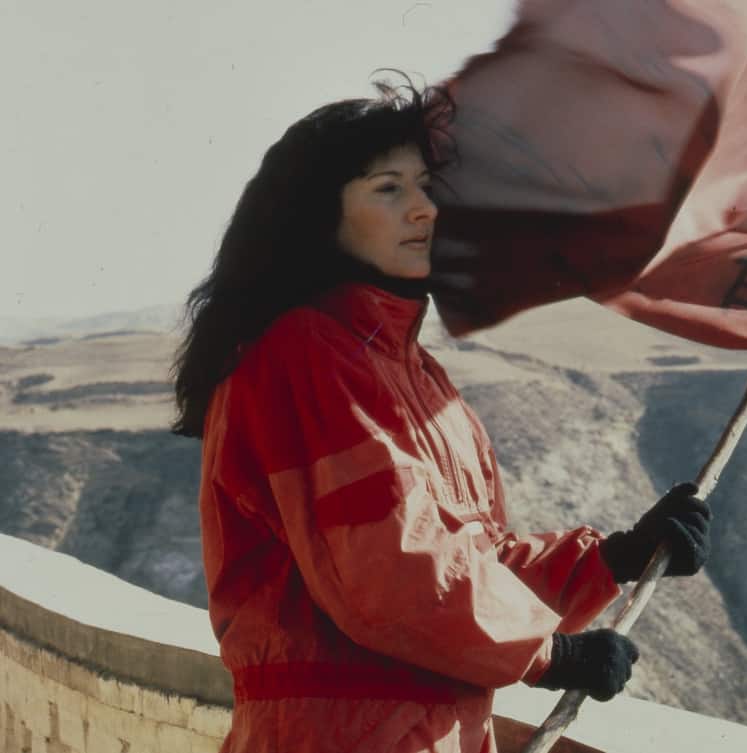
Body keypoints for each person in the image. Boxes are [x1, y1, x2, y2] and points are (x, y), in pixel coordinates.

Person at [171, 76, 713, 753]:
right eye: (388, 188)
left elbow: (466, 565)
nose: (424, 209)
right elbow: (387, 572)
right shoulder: (305, 352)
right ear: (319, 215)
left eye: (425, 186)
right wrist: (552, 657)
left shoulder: (415, 376)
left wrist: (612, 558)